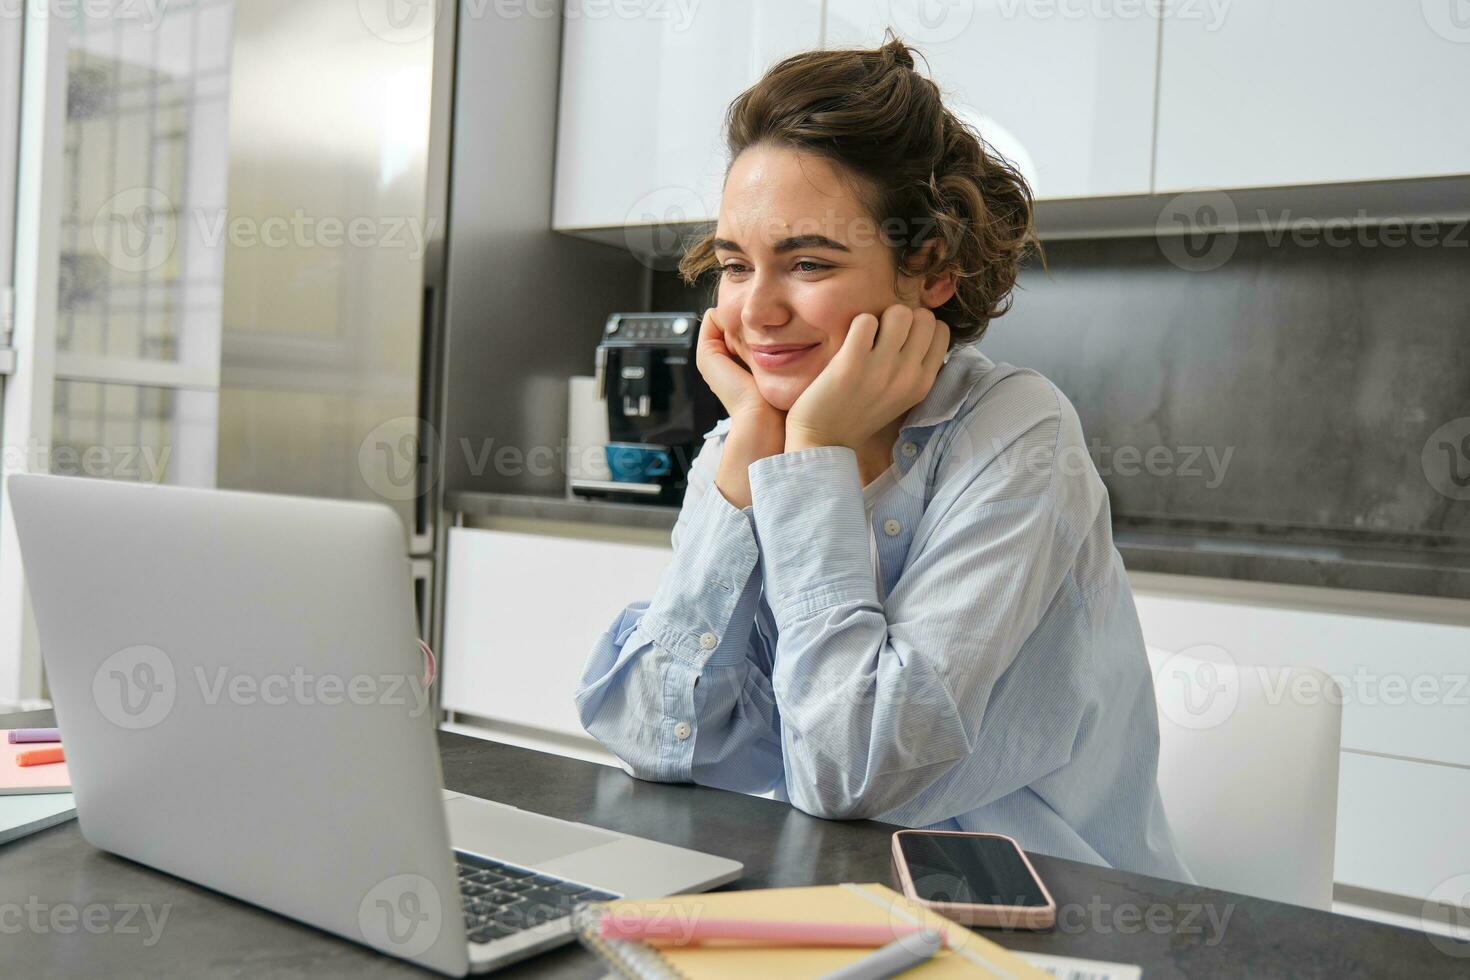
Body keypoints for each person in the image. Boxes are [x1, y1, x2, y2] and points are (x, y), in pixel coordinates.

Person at [574, 36, 1192, 882]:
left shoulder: (1017, 434)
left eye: (808, 263)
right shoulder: (748, 438)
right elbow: (650, 739)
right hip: (819, 895)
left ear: (930, 267)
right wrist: (746, 459)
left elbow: (850, 774)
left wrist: (812, 460)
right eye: (734, 264)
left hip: (1046, 917)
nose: (756, 311)